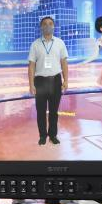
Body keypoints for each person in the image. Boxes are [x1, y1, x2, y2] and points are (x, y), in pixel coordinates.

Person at [27, 16, 69, 145]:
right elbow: (31, 65)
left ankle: (53, 135)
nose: (48, 26)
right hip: (40, 82)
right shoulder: (35, 44)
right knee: (40, 112)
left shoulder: (60, 43)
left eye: (50, 23)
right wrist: (31, 84)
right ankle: (42, 136)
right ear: (41, 27)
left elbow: (64, 62)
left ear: (54, 26)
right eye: (45, 24)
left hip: (56, 80)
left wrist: (66, 80)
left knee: (53, 112)